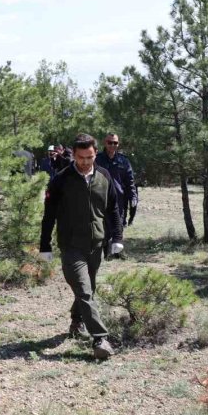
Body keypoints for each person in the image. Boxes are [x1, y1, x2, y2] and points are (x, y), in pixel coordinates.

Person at [39, 133, 123, 360]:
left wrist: (117, 237)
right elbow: (49, 215)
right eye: (81, 157)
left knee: (88, 290)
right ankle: (100, 338)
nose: (86, 162)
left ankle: (77, 322)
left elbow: (113, 209)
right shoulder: (61, 179)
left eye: (90, 157)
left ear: (96, 153)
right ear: (73, 155)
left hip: (96, 245)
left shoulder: (104, 176)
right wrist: (44, 245)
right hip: (71, 245)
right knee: (85, 290)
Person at [95, 133, 139, 228]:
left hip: (119, 201)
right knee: (101, 229)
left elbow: (130, 181)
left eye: (115, 143)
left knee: (118, 229)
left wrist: (133, 197)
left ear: (118, 144)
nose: (112, 145)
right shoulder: (97, 160)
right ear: (105, 143)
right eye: (110, 142)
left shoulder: (124, 161)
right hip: (100, 199)